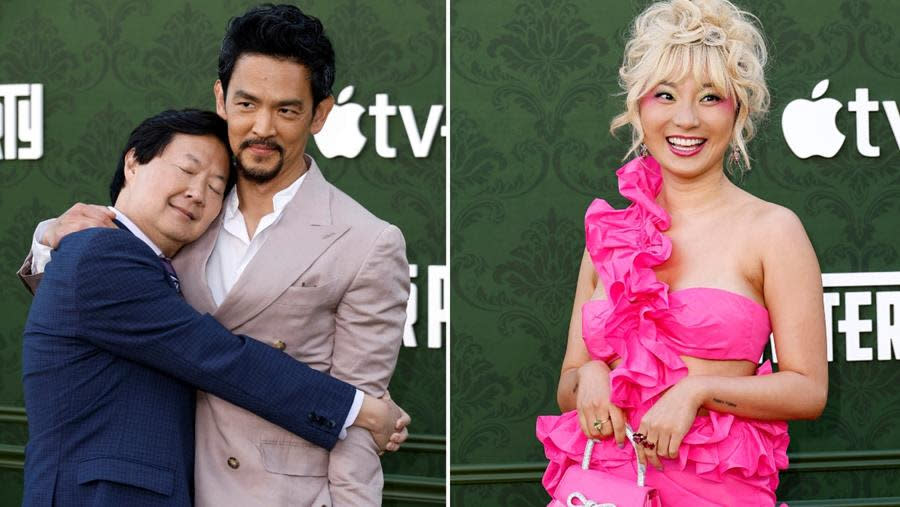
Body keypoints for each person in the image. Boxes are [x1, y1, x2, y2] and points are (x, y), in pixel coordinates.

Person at [20, 5, 411, 506]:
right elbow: (175, 337)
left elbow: (358, 435)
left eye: (287, 110)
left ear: (320, 114)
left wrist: (359, 416)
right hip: (173, 487)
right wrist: (50, 237)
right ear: (222, 98)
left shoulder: (366, 241)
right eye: (247, 103)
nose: (262, 127)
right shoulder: (182, 218)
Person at [536, 0, 828, 505]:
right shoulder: (609, 234)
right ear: (639, 107)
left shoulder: (773, 230)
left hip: (716, 491)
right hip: (602, 486)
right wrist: (590, 374)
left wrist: (695, 392)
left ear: (738, 109)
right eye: (665, 95)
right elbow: (568, 384)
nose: (686, 119)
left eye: (711, 97)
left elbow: (808, 390)